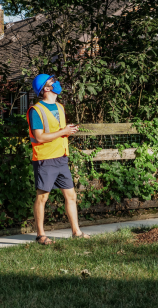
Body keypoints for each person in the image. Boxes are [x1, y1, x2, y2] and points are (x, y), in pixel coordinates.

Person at [27, 74, 90, 245]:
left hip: (61, 158)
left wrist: (68, 130)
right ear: (46, 89)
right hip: (45, 159)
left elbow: (59, 130)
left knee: (71, 195)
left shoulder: (60, 107)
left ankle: (76, 232)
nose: (56, 83)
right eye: (52, 82)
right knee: (42, 197)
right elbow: (39, 137)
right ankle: (41, 235)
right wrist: (63, 132)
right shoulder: (36, 111)